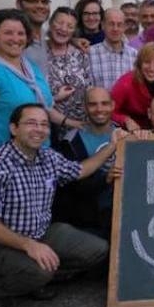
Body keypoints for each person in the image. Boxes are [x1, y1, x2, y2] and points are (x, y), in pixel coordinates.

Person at [0, 103, 124, 300]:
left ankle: (38, 274)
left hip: (40, 233)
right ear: (14, 128)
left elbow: (81, 170)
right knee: (39, 272)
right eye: (31, 123)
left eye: (44, 124)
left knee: (98, 249)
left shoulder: (48, 157)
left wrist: (112, 146)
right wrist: (29, 245)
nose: (39, 130)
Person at [0, 9, 74, 171]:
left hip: (38, 158)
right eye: (8, 33)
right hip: (3, 162)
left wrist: (74, 123)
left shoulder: (31, 67)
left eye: (21, 33)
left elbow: (43, 106)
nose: (16, 39)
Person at [53, 87, 119, 240]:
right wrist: (105, 179)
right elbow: (71, 185)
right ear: (84, 107)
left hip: (123, 212)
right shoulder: (71, 141)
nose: (99, 109)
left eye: (104, 103)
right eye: (93, 104)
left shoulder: (125, 133)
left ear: (113, 105)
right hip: (90, 220)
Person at [110, 42, 154, 131]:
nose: (151, 68)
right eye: (147, 62)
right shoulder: (125, 83)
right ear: (139, 64)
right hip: (129, 134)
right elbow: (108, 110)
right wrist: (125, 120)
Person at [45, 7, 91, 129]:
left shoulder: (81, 54)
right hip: (48, 126)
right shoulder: (39, 53)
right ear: (50, 23)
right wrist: (55, 98)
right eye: (60, 23)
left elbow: (89, 88)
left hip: (81, 126)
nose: (64, 29)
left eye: (70, 26)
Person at [88, 8, 138, 90]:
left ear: (124, 27)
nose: (115, 29)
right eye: (111, 24)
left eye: (119, 25)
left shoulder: (135, 55)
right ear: (103, 25)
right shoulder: (90, 54)